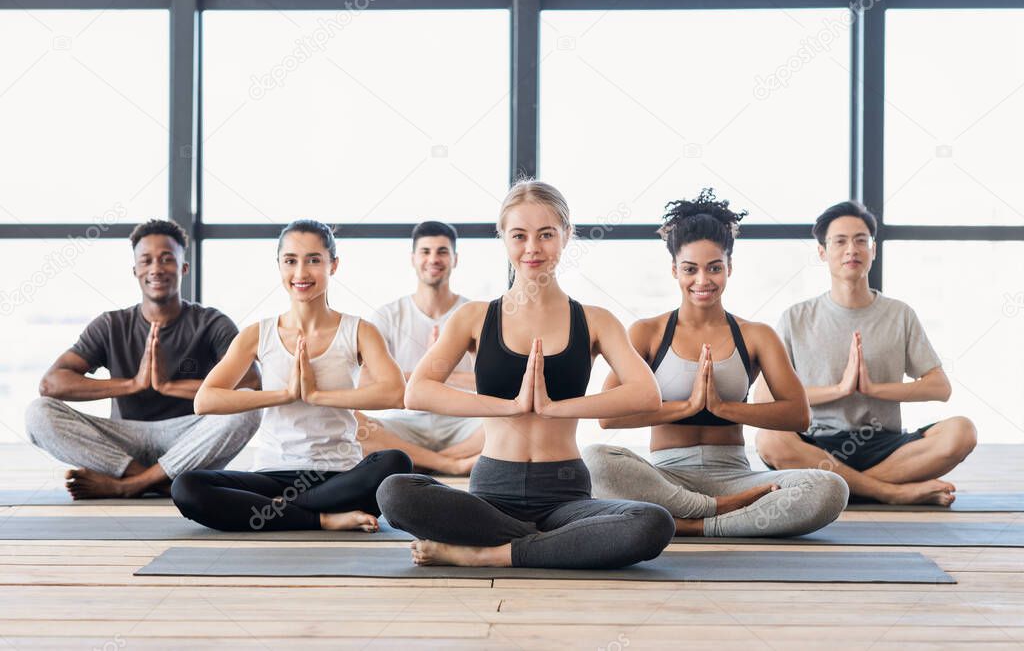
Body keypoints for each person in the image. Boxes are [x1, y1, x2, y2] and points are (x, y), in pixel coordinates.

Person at [376, 180, 675, 570]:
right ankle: (558, 548)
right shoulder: (475, 317)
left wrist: (555, 408)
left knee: (652, 523)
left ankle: (491, 554)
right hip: (490, 495)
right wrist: (510, 406)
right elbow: (418, 392)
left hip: (565, 495)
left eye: (546, 234)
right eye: (519, 235)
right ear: (504, 238)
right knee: (395, 492)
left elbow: (645, 395)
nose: (532, 248)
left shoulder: (595, 320)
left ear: (566, 236)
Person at [583, 190, 848, 537]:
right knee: (595, 460)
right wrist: (686, 407)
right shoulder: (647, 333)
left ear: (729, 268)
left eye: (714, 268)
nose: (703, 280)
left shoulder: (756, 336)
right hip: (667, 478)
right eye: (690, 269)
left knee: (829, 488)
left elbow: (799, 414)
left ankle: (694, 525)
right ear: (675, 270)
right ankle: (714, 514)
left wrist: (724, 408)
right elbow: (608, 417)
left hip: (736, 478)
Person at [170, 220, 412, 532]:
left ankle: (273, 514)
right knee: (186, 487)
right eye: (291, 261)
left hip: (339, 475)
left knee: (396, 463)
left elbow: (396, 393)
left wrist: (317, 396)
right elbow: (205, 400)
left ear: (333, 265)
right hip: (272, 475)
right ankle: (322, 518)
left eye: (314, 260)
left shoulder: (359, 331)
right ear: (279, 266)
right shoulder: (257, 334)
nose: (301, 273)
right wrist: (285, 395)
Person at [755, 201, 976, 506]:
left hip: (885, 443)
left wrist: (873, 389)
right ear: (822, 252)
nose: (852, 250)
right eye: (840, 241)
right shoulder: (796, 318)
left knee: (962, 431)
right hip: (818, 443)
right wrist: (839, 390)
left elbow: (940, 388)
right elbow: (763, 400)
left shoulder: (900, 314)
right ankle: (890, 491)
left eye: (861, 240)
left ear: (873, 249)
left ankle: (839, 486)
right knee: (769, 439)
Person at [25, 219, 261, 499]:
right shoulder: (111, 325)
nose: (156, 269)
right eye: (146, 261)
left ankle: (127, 485)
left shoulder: (212, 322)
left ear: (183, 268)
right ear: (135, 270)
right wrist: (133, 384)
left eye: (167, 260)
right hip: (124, 439)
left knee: (248, 408)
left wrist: (168, 386)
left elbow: (251, 384)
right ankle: (157, 482)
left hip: (188, 439)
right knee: (37, 413)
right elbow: (51, 384)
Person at [357, 221, 483, 475]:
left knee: (515, 421)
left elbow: (494, 384)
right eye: (425, 252)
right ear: (413, 259)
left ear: (455, 259)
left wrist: (438, 376)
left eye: (442, 252)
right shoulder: (388, 315)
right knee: (353, 427)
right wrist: (429, 376)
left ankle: (420, 461)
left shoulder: (474, 314)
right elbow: (366, 382)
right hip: (405, 422)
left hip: (463, 422)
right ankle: (450, 465)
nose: (433, 259)